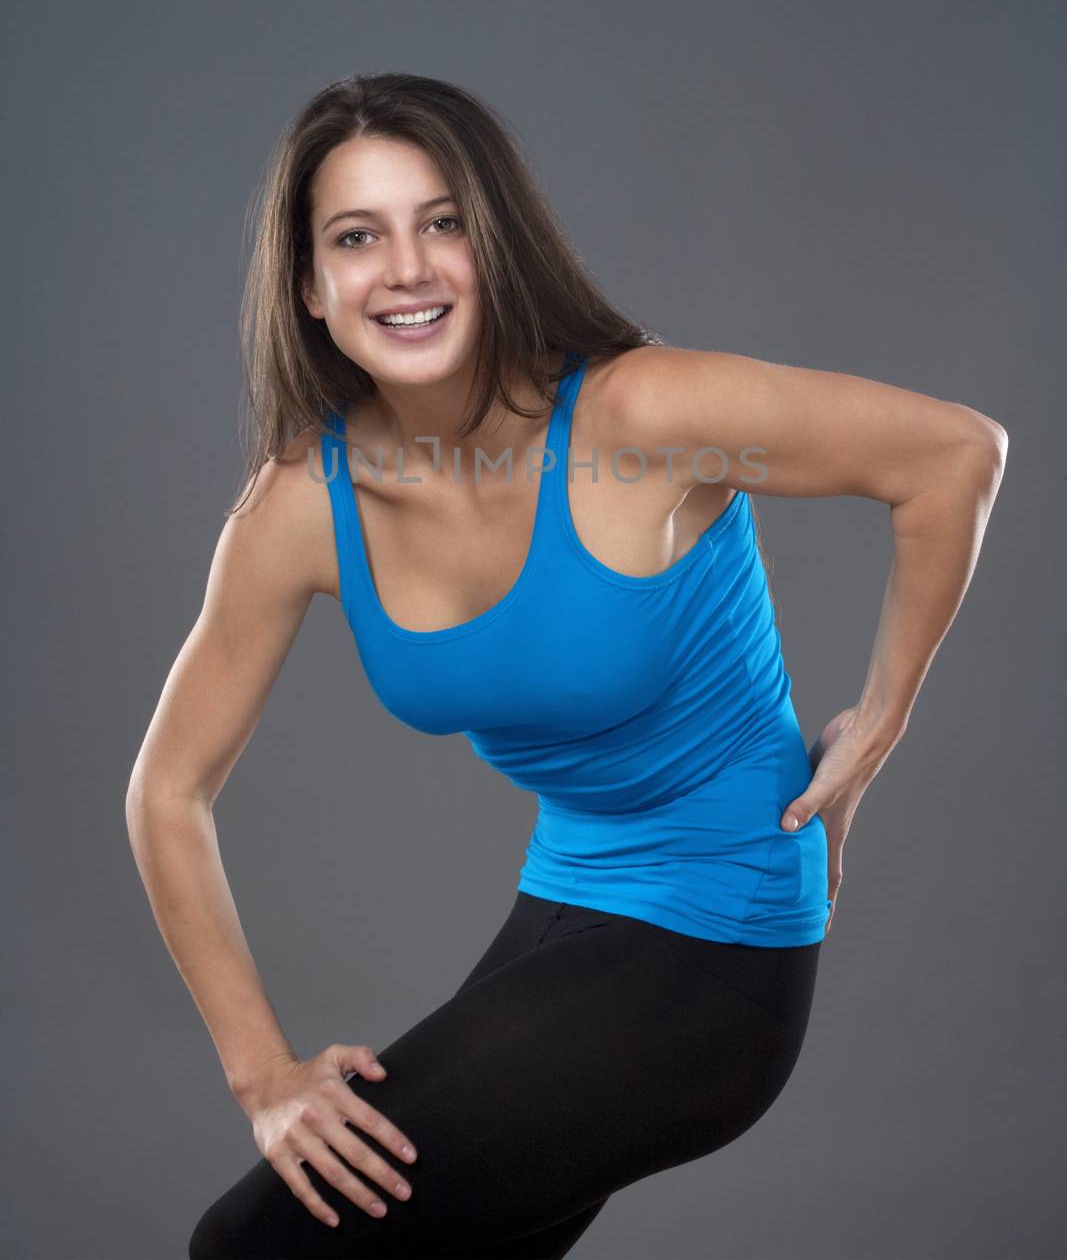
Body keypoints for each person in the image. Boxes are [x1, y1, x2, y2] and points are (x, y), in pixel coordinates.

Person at [125, 72, 1008, 1259]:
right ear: (309, 285)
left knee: (259, 1247)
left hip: (721, 937)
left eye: (442, 222)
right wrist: (262, 1073)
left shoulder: (639, 415)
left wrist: (879, 722)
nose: (406, 267)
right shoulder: (299, 506)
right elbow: (166, 793)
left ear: (495, 242)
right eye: (356, 236)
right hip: (572, 901)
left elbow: (951, 454)